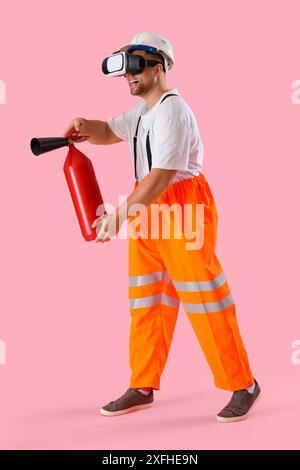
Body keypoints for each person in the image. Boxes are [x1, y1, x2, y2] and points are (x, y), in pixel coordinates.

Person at [64, 32, 261, 423]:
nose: (128, 76)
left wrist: (119, 216)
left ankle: (244, 384)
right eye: (125, 69)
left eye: (135, 65)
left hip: (180, 204)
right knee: (147, 299)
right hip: (147, 205)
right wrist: (87, 125)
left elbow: (162, 176)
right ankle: (143, 385)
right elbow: (110, 131)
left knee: (205, 298)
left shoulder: (173, 110)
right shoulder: (141, 113)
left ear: (159, 67)